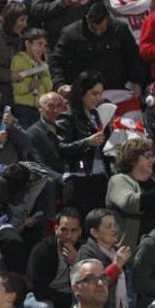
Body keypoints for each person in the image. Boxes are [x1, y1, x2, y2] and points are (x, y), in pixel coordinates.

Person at [49, 1, 145, 99]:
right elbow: (56, 60)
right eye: (94, 29)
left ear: (108, 19)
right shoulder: (71, 33)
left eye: (102, 29)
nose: (98, 33)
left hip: (116, 88)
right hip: (84, 92)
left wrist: (137, 81)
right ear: (87, 20)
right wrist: (59, 83)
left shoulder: (120, 29)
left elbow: (133, 57)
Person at [105, 137, 155, 250]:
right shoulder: (119, 180)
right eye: (147, 157)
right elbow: (129, 203)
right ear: (132, 159)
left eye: (153, 156)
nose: (153, 160)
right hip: (133, 252)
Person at [55, 70, 109, 217]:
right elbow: (61, 148)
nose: (98, 98)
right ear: (81, 93)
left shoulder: (99, 116)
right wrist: (87, 142)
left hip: (100, 178)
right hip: (78, 179)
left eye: (100, 94)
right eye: (94, 93)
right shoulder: (67, 117)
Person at [75, 209, 133, 308]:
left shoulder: (118, 252)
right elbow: (93, 284)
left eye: (115, 225)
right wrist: (116, 266)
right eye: (108, 226)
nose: (114, 229)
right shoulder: (86, 252)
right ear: (94, 232)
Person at [27, 207, 83, 308]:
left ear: (80, 232)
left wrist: (77, 264)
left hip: (71, 297)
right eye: (64, 230)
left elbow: (90, 282)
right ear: (56, 229)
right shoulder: (42, 250)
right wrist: (69, 298)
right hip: (41, 298)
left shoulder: (84, 250)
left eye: (73, 231)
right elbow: (37, 289)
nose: (68, 236)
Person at [11, 27, 54, 125]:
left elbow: (49, 88)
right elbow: (13, 88)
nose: (42, 48)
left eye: (44, 45)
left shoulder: (44, 65)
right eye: (39, 44)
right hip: (22, 108)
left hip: (39, 108)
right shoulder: (18, 60)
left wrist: (43, 73)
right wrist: (28, 87)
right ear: (28, 44)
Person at [27, 91, 69, 172]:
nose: (55, 110)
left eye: (59, 106)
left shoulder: (67, 129)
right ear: (40, 108)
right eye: (51, 106)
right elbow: (38, 165)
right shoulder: (33, 134)